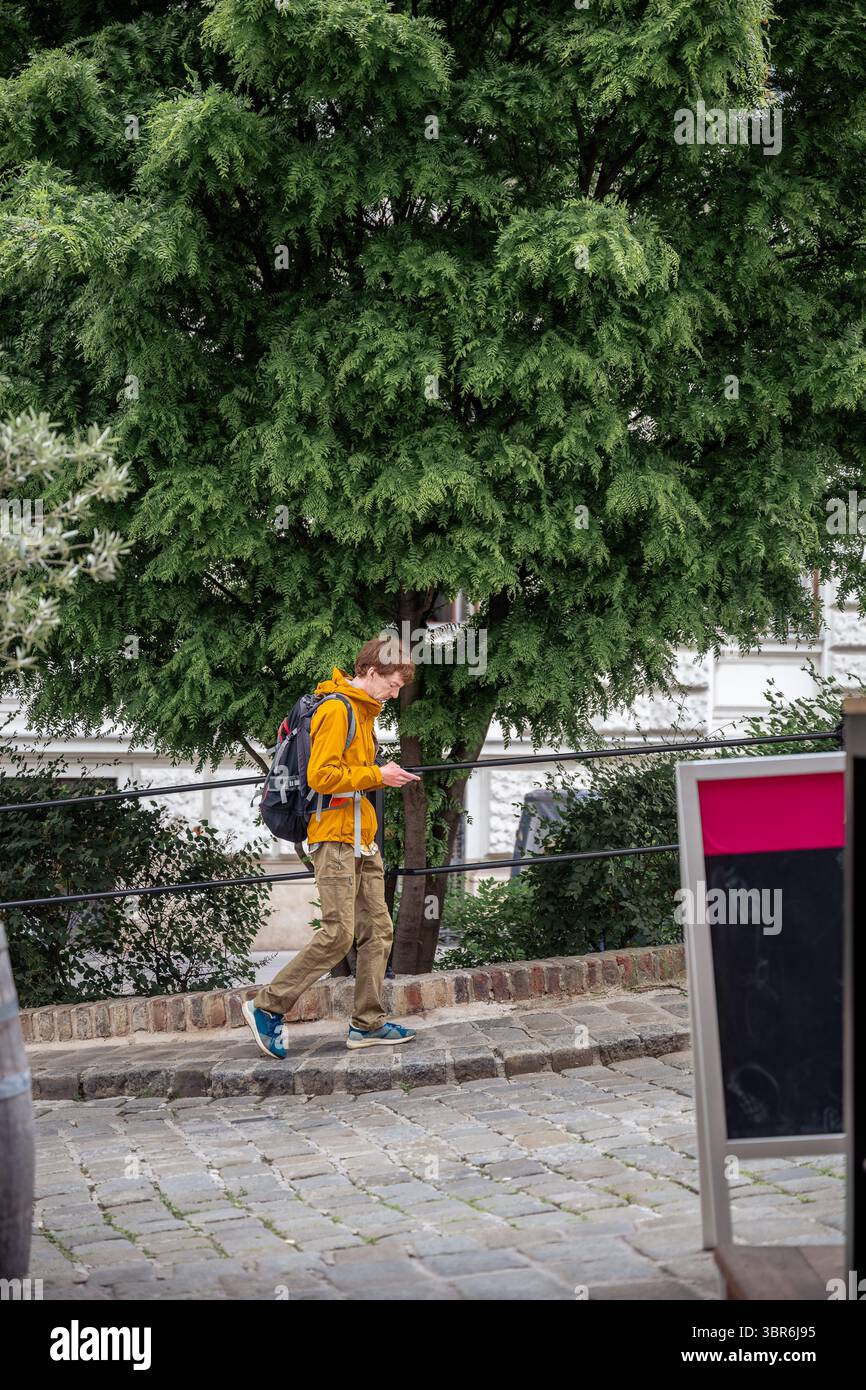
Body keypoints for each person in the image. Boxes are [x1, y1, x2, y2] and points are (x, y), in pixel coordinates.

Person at [242, 638, 421, 1058]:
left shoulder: (362, 712)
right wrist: (378, 774)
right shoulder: (337, 709)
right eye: (393, 684)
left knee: (378, 930)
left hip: (362, 840)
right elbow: (323, 777)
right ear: (372, 672)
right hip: (334, 837)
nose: (395, 694)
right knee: (339, 934)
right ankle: (267, 1006)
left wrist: (375, 778)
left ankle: (367, 1023)